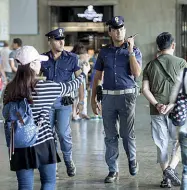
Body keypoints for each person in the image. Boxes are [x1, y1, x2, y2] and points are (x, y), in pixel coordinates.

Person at [3, 46, 90, 190]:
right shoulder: (45, 87)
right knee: (48, 182)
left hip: (19, 144)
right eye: (37, 61)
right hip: (43, 142)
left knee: (24, 186)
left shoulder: (9, 89)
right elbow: (70, 86)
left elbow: (6, 114)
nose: (40, 64)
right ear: (31, 65)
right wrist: (84, 74)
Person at [91, 16, 142, 183]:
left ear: (125, 30)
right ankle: (113, 170)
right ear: (110, 32)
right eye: (115, 29)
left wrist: (131, 51)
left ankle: (132, 159)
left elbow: (136, 73)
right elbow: (97, 76)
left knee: (127, 134)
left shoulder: (134, 50)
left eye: (121, 29)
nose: (119, 32)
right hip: (108, 98)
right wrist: (93, 99)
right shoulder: (104, 52)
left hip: (127, 96)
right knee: (110, 136)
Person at [142, 32, 187, 188]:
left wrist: (157, 105)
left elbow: (145, 90)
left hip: (157, 111)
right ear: (173, 45)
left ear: (158, 47)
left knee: (162, 145)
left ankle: (166, 178)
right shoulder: (182, 63)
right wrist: (172, 104)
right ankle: (171, 169)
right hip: (177, 110)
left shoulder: (150, 65)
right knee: (179, 142)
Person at [41, 28, 84, 177]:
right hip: (46, 104)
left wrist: (81, 101)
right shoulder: (42, 59)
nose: (61, 42)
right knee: (48, 135)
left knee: (63, 134)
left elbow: (80, 80)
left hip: (64, 103)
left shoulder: (72, 58)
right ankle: (52, 166)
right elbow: (34, 79)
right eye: (57, 39)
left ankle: (68, 160)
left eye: (62, 39)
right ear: (50, 41)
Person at [71, 43, 90, 120]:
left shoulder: (74, 57)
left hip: (80, 78)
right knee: (75, 97)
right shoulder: (77, 58)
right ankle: (75, 114)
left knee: (79, 96)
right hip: (77, 78)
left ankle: (80, 113)